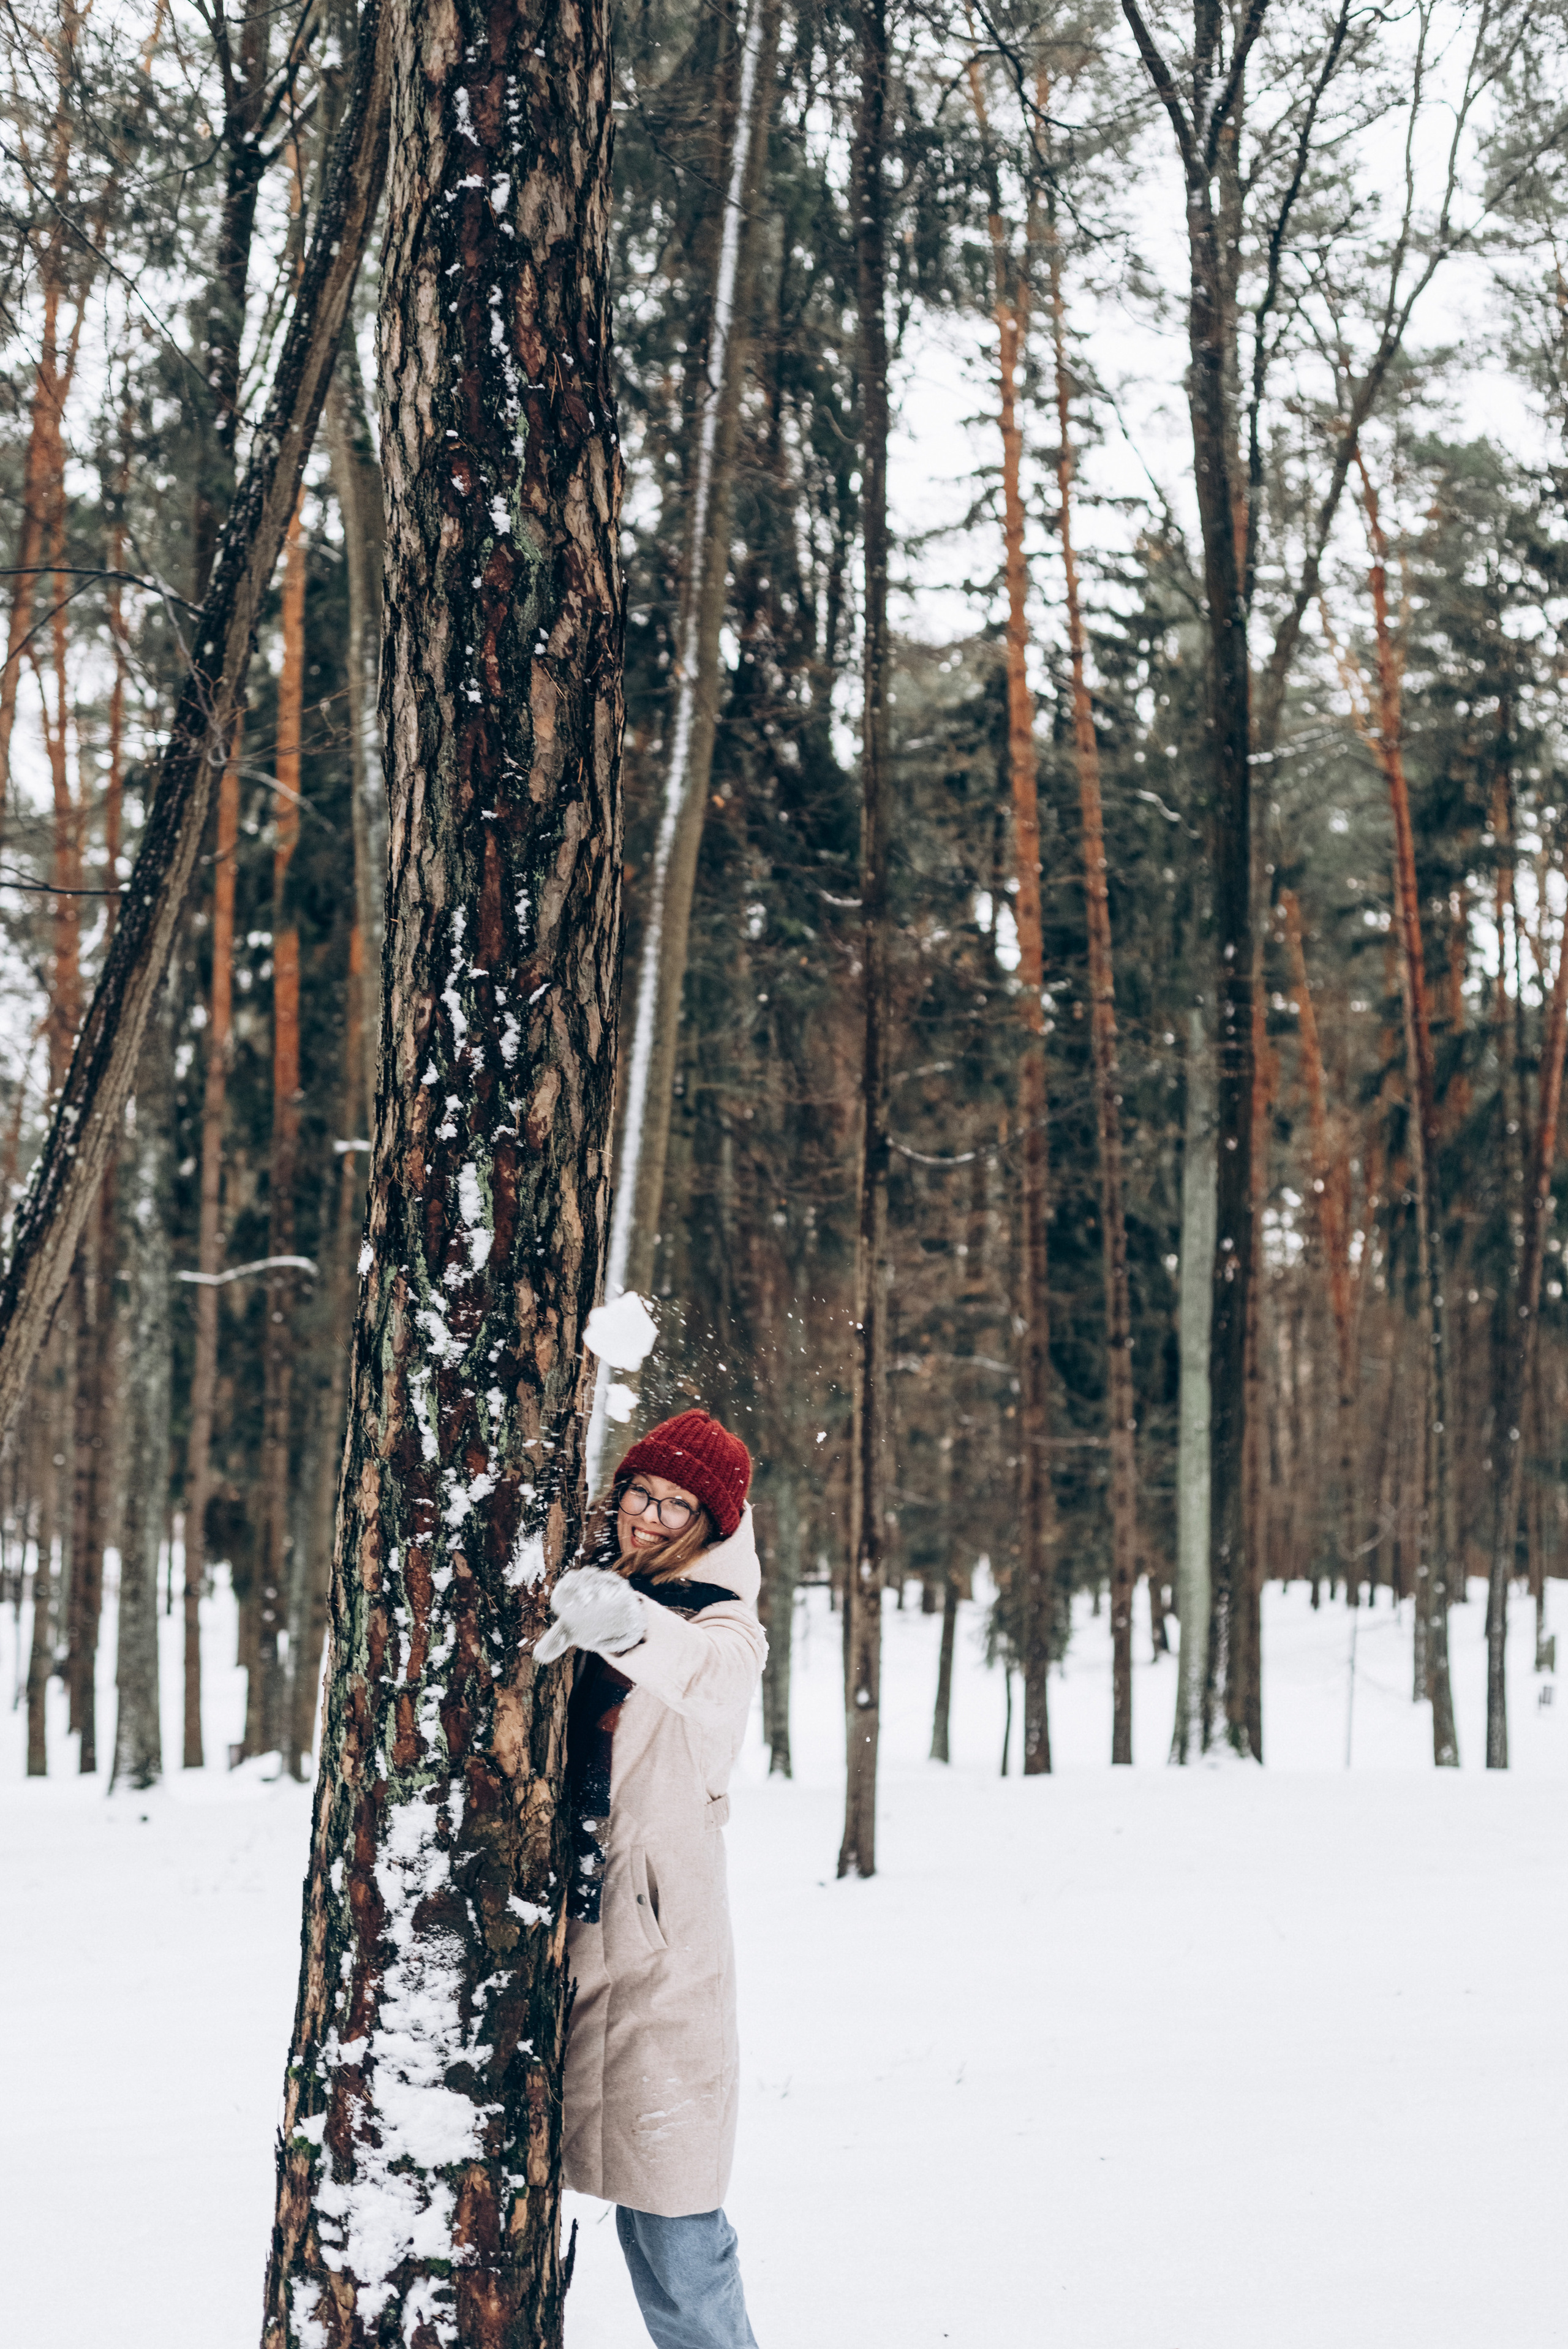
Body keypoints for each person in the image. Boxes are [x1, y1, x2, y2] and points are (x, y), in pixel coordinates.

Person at [537, 1408, 766, 2349]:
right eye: (643, 1492)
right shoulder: (581, 1576)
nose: (651, 1517)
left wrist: (623, 1623)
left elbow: (702, 1674)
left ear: (710, 1527)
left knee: (674, 2228)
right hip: (556, 1935)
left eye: (678, 1507)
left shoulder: (724, 1625)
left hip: (659, 1956)